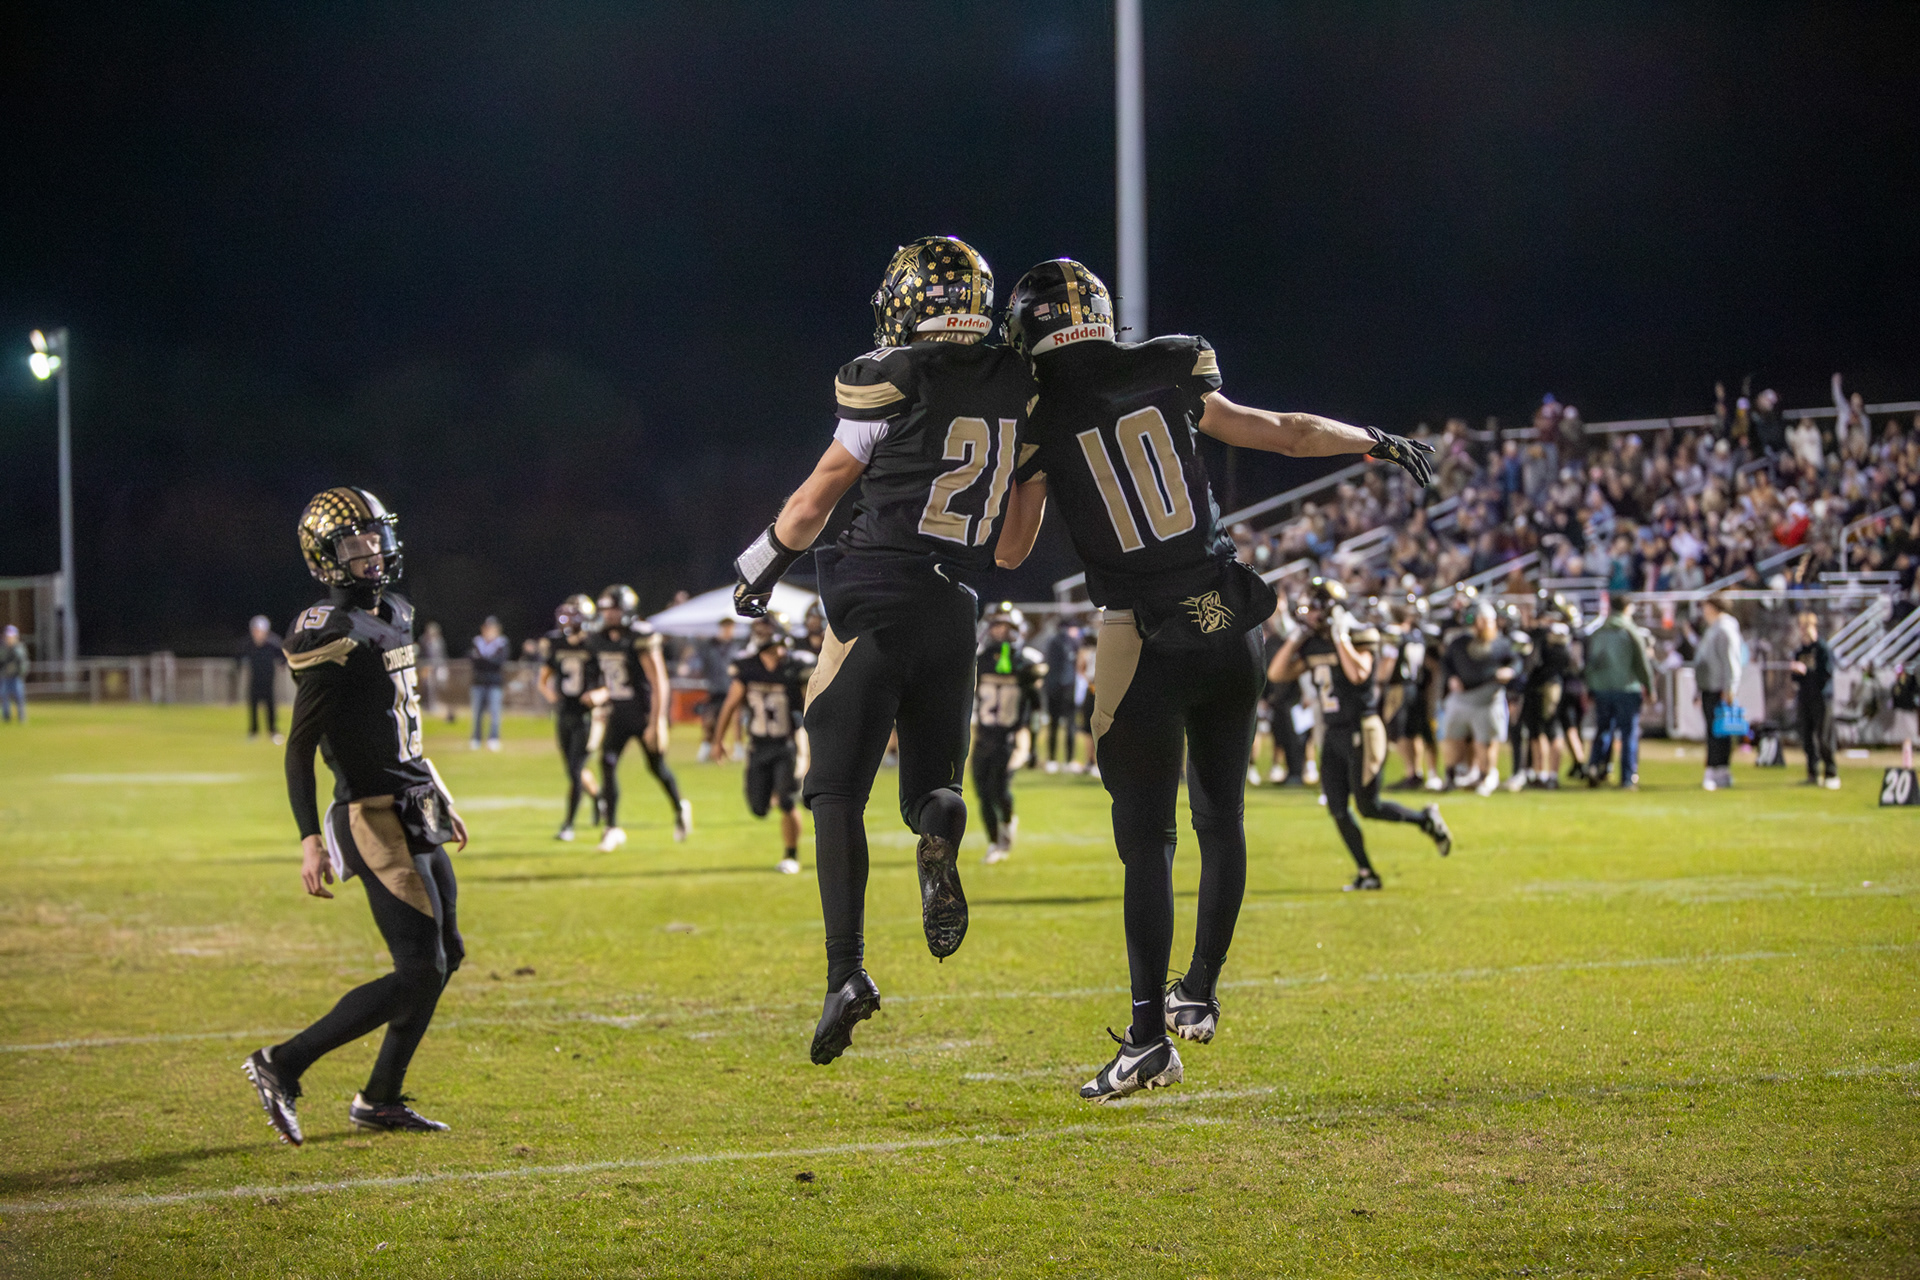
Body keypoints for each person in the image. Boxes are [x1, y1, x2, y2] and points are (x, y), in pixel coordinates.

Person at [994, 257, 1434, 1102]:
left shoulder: (1039, 412)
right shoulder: (1172, 362)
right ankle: (1198, 988)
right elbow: (1285, 430)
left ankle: (1148, 1041)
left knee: (1147, 845)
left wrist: (1010, 471)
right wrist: (1372, 440)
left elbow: (1013, 550)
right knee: (1220, 817)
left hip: (1139, 635)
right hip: (1228, 620)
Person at [730, 236, 1031, 1066]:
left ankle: (846, 972)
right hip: (954, 607)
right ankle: (940, 829)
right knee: (932, 787)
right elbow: (1013, 549)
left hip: (874, 594)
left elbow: (819, 493)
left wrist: (761, 564)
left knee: (833, 791)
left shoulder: (893, 375)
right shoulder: (1019, 382)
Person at [243, 486, 465, 1145]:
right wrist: (309, 838)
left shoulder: (395, 610)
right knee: (419, 967)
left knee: (446, 955)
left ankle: (380, 1098)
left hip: (416, 802)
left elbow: (400, 725)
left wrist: (440, 791)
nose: (373, 552)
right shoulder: (330, 632)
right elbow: (300, 747)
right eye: (355, 543)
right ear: (325, 557)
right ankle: (282, 1063)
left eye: (376, 537)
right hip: (371, 815)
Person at [1268, 578, 1450, 891]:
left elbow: (1358, 674)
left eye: (1313, 607)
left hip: (1362, 728)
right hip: (1333, 731)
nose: (1308, 613)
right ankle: (1367, 873)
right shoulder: (1311, 642)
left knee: (1369, 806)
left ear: (1330, 609)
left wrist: (1341, 638)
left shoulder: (1360, 634)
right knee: (1337, 808)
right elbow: (1276, 672)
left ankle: (1424, 819)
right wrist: (1296, 638)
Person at [589, 584, 691, 851]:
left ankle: (679, 807)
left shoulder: (640, 636)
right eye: (606, 609)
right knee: (607, 762)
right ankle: (611, 828)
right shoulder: (599, 638)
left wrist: (658, 722)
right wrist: (601, 697)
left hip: (644, 713)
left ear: (626, 609)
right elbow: (606, 677)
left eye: (614, 609)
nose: (609, 614)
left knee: (656, 767)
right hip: (618, 712)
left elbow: (659, 681)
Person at [714, 630, 816, 874]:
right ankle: (778, 789)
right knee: (758, 808)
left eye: (781, 647)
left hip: (788, 743)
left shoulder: (794, 668)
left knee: (787, 801)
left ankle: (791, 855)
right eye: (772, 649)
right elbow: (731, 704)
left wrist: (811, 749)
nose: (778, 653)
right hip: (759, 745)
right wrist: (718, 740)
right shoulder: (747, 669)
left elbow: (813, 707)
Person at [971, 603, 1047, 863]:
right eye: (997, 626)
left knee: (999, 789)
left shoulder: (1026, 662)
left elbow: (1036, 707)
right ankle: (994, 843)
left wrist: (1032, 746)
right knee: (982, 792)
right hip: (984, 735)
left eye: (1007, 627)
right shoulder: (981, 660)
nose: (1001, 632)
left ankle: (1006, 823)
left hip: (1012, 738)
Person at [538, 594, 603, 840]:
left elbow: (611, 680)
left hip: (588, 716)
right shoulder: (557, 643)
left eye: (573, 616)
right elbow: (543, 678)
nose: (567, 621)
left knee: (576, 771)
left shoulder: (595, 644)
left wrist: (599, 694)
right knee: (573, 769)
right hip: (564, 713)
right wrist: (550, 694)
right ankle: (597, 797)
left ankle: (568, 825)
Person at [1439, 601, 1518, 796]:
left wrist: (1510, 671)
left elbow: (1516, 662)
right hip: (1462, 697)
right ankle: (1451, 775)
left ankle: (1486, 775)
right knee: (1453, 738)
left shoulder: (1501, 643)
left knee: (1485, 741)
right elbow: (1447, 662)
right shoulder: (1460, 642)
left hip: (1487, 697)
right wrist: (1452, 678)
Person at [1584, 592, 1656, 790]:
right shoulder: (1631, 631)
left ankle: (1594, 767)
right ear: (1627, 608)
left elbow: (1591, 663)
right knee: (1628, 734)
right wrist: (1650, 687)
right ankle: (1627, 777)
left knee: (1602, 730)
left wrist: (1590, 687)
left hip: (1602, 688)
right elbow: (1641, 663)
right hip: (1627, 688)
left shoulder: (1599, 632)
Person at [1694, 593, 1745, 791]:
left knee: (1719, 731)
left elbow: (1731, 661)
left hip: (1718, 688)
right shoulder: (1713, 628)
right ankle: (1719, 770)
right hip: (1709, 685)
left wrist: (1730, 688)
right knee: (1715, 730)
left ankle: (1717, 770)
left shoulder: (1724, 629)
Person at [1789, 611, 1839, 789]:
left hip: (1821, 697)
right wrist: (1796, 672)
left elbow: (1826, 673)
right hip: (1805, 697)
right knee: (1807, 736)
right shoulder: (1800, 651)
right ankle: (1812, 772)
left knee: (1824, 736)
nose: (1804, 632)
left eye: (1806, 627)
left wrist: (1807, 671)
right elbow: (1795, 678)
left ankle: (1831, 772)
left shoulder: (1822, 649)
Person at [695, 617, 739, 763]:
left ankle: (721, 748)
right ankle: (709, 748)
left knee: (728, 722)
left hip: (731, 690)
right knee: (710, 721)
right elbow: (702, 664)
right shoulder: (710, 646)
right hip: (714, 689)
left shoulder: (736, 646)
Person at [1041, 619, 1082, 772]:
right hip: (1068, 687)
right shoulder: (1072, 642)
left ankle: (1052, 759)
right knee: (1070, 724)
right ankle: (1069, 760)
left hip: (1053, 687)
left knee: (1054, 724)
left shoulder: (1052, 642)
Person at [237, 615, 286, 742]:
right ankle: (253, 732)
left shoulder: (273, 643)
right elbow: (238, 657)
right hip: (254, 679)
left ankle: (273, 731)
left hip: (269, 680)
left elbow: (283, 657)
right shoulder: (248, 643)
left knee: (270, 705)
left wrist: (283, 664)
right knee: (253, 705)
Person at [468, 617, 508, 751]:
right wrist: (488, 661)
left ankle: (494, 738)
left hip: (495, 683)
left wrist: (483, 660)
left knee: (495, 713)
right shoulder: (477, 642)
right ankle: (476, 738)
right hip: (478, 682)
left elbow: (499, 662)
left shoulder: (501, 643)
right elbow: (473, 660)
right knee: (477, 713)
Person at [419, 620, 453, 724]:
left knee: (439, 685)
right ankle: (428, 705)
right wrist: (424, 666)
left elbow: (442, 654)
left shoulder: (439, 641)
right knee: (428, 686)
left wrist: (443, 666)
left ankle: (438, 704)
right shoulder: (423, 640)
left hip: (438, 666)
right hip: (427, 667)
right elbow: (421, 655)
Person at [0, 624, 27, 723]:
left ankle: (21, 716)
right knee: (4, 696)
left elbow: (23, 663)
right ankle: (6, 716)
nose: (9, 639)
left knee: (19, 697)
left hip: (16, 677)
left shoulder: (19, 648)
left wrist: (21, 672)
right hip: (5, 677)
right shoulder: (2, 649)